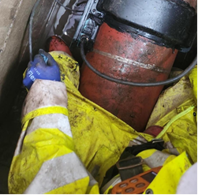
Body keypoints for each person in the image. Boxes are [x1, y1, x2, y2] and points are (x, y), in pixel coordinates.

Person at [8, 37, 198, 194]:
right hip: (179, 156)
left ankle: (63, 65)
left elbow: (51, 177)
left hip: (109, 172)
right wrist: (161, 151)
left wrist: (46, 92)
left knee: (53, 105)